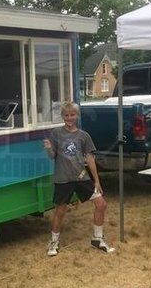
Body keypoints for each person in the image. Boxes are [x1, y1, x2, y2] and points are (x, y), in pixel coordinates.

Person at [43, 101, 115, 256]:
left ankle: (97, 238)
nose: (69, 118)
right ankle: (53, 242)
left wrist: (96, 180)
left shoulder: (84, 136)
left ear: (77, 116)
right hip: (63, 179)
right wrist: (49, 148)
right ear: (62, 116)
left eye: (72, 115)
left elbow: (89, 159)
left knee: (101, 204)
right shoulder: (56, 133)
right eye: (66, 115)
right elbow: (52, 156)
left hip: (82, 178)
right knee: (61, 211)